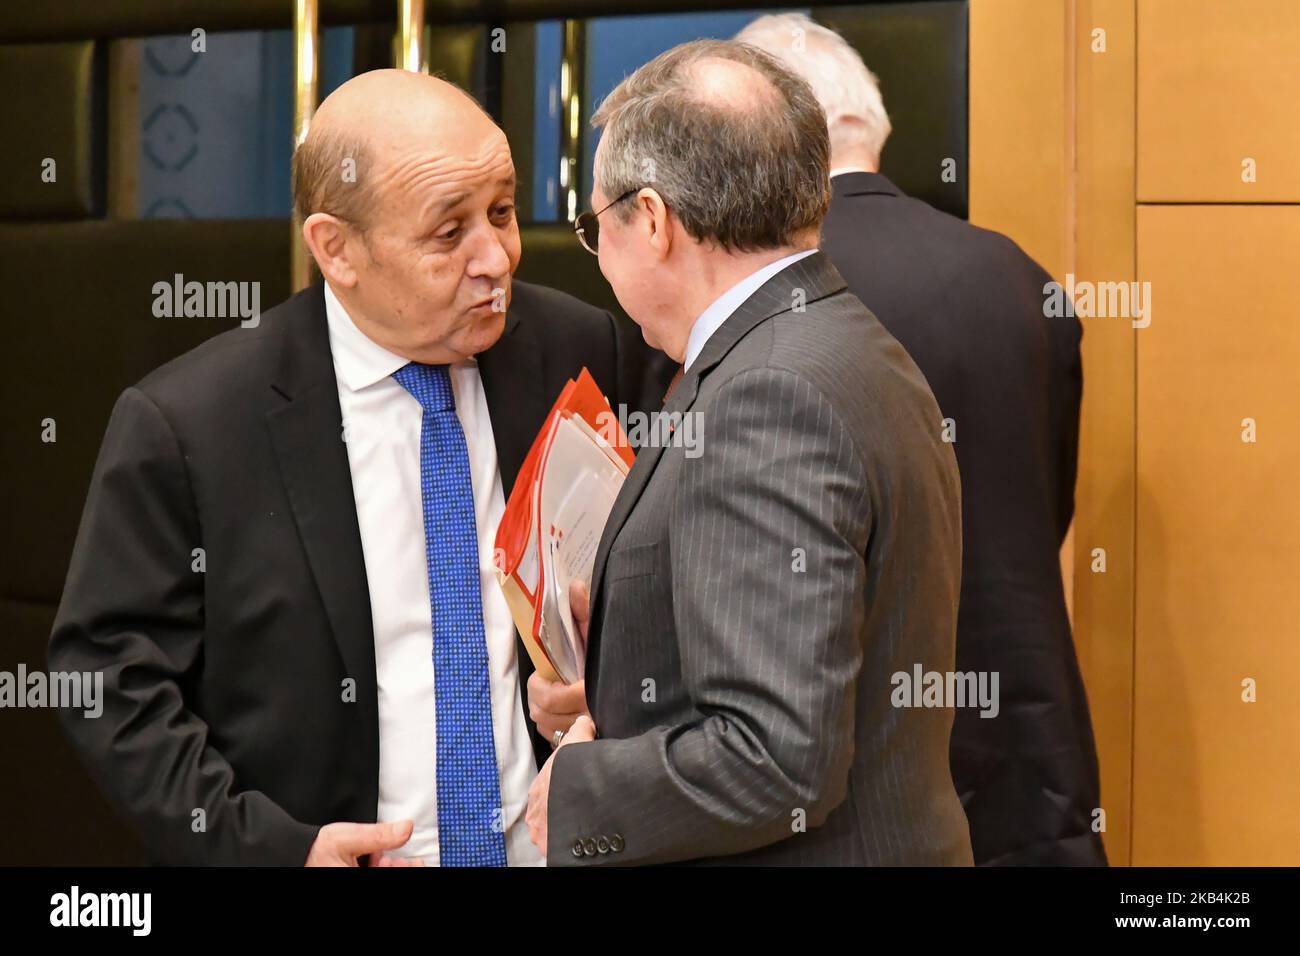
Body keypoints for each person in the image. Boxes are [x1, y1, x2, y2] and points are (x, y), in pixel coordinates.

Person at [48, 69, 665, 866]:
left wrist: (604, 695)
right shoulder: (193, 423)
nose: (497, 259)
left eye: (503, 212)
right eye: (449, 234)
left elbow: (663, 583)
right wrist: (268, 850)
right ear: (336, 248)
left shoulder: (581, 349)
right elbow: (106, 679)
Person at [524, 40, 972, 866]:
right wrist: (628, 681)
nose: (600, 256)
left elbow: (774, 760)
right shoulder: (833, 338)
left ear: (652, 221)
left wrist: (586, 785)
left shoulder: (766, 394)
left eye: (598, 226)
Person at [738, 13, 1106, 866]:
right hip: (1030, 743)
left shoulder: (767, 292)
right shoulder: (1017, 272)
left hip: (855, 771)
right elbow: (1047, 502)